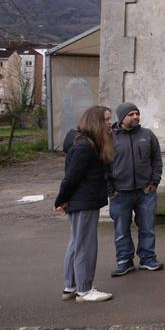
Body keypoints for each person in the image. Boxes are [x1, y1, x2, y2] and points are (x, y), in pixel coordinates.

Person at [54, 106, 115, 303]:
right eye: (106, 120)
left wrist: (64, 199)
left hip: (81, 200)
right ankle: (84, 290)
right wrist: (61, 200)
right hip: (84, 201)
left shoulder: (83, 142)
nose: (109, 123)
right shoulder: (84, 146)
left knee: (76, 244)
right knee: (85, 246)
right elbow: (71, 177)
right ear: (95, 121)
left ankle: (70, 287)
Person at [108, 102, 164, 276]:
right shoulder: (109, 138)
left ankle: (148, 259)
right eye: (131, 114)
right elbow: (103, 165)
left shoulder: (147, 135)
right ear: (122, 117)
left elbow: (156, 160)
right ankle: (124, 261)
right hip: (120, 193)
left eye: (137, 114)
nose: (135, 117)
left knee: (147, 227)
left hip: (145, 192)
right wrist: (110, 189)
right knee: (121, 229)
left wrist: (154, 182)